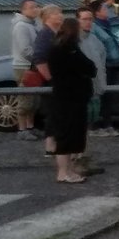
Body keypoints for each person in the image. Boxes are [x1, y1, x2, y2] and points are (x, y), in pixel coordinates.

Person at [47, 18, 97, 184]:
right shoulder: (68, 49)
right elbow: (89, 67)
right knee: (67, 135)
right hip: (70, 97)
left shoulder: (56, 47)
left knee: (67, 134)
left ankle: (67, 171)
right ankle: (63, 172)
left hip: (64, 95)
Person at [89, 0, 119, 136]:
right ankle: (96, 125)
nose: (107, 11)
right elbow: (98, 47)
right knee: (100, 95)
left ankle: (107, 123)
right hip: (105, 65)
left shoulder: (106, 24)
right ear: (97, 12)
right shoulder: (95, 27)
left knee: (107, 96)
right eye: (104, 9)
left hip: (112, 64)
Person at [32, 4, 64, 158]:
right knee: (52, 111)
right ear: (47, 17)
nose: (60, 16)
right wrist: (50, 79)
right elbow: (39, 59)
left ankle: (57, 141)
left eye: (60, 13)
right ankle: (50, 145)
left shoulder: (57, 33)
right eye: (56, 13)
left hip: (60, 78)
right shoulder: (45, 35)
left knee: (59, 112)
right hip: (51, 81)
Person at [10, 0, 42, 140]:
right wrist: (37, 60)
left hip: (33, 66)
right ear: (23, 10)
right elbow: (25, 49)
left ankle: (30, 126)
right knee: (25, 98)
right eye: (31, 7)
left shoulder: (32, 25)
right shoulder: (21, 26)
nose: (35, 9)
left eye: (36, 7)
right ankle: (22, 129)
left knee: (34, 99)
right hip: (24, 66)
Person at [78, 7, 109, 140]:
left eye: (90, 19)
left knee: (94, 111)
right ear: (77, 20)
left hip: (96, 83)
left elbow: (102, 59)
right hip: (82, 86)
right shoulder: (74, 40)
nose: (88, 22)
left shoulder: (94, 39)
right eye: (84, 19)